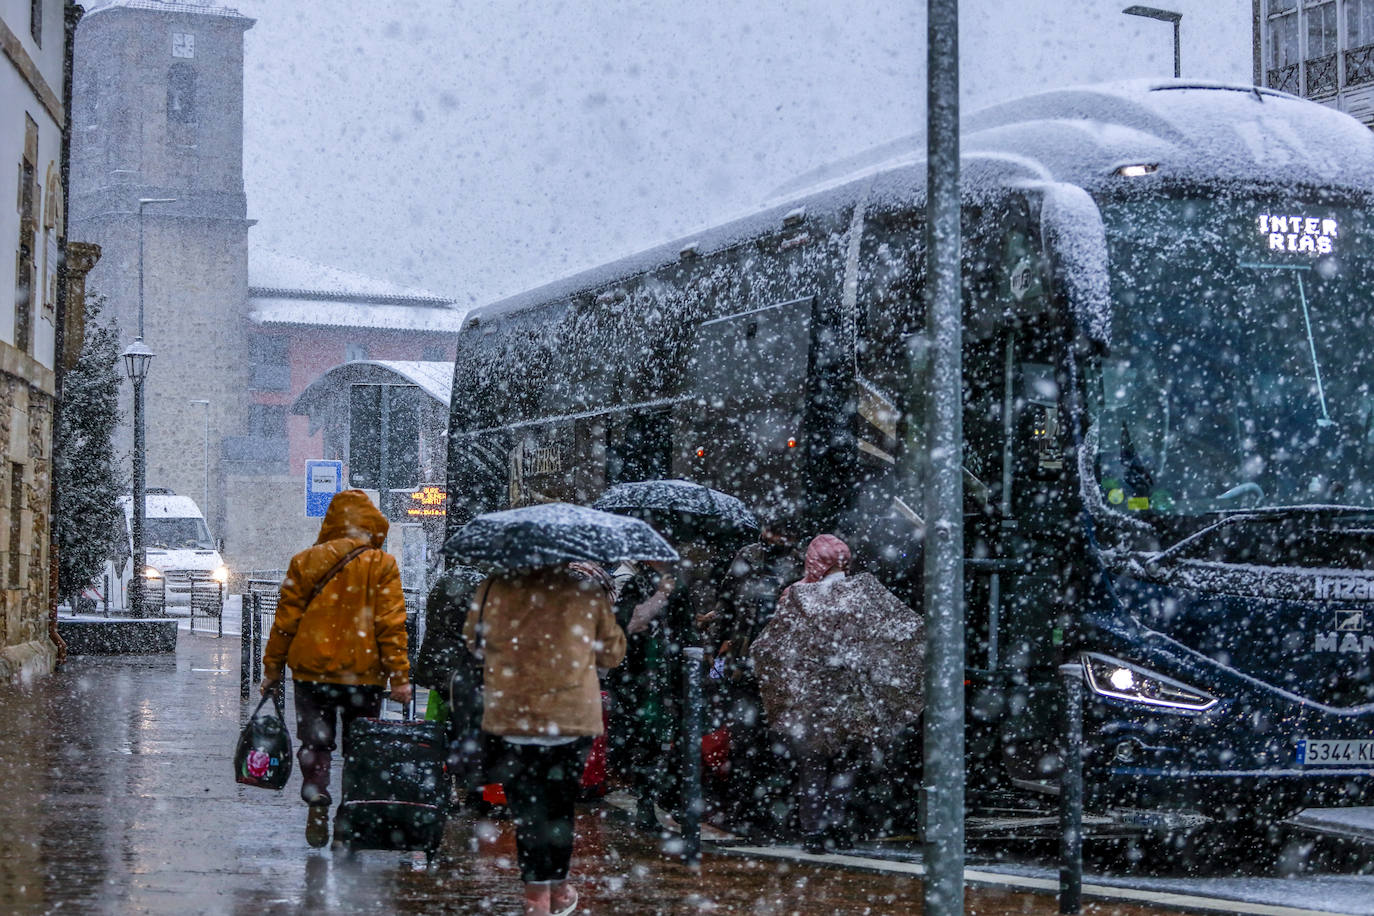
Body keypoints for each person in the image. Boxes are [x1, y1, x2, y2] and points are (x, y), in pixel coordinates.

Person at [466, 561, 625, 916]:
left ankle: (536, 892)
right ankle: (558, 885)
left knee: (527, 808)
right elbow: (612, 655)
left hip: (517, 715)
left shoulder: (499, 586)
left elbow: (474, 644)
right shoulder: (586, 593)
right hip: (569, 717)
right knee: (558, 805)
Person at [261, 489, 412, 848]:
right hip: (364, 675)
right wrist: (400, 677)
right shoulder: (381, 564)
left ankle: (316, 793)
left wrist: (272, 669)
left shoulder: (305, 561)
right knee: (360, 747)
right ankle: (351, 816)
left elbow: (285, 622)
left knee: (315, 742)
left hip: (312, 673)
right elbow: (390, 624)